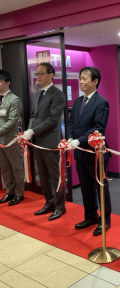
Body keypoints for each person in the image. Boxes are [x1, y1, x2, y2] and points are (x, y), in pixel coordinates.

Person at [67, 67, 111, 236]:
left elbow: (98, 128)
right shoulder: (78, 101)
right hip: (80, 152)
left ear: (95, 81)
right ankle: (90, 216)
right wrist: (71, 138)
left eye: (85, 78)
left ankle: (105, 220)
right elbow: (71, 122)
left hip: (96, 153)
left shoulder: (101, 102)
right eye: (80, 78)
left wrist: (79, 140)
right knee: (85, 187)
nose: (81, 81)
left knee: (100, 187)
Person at [23, 62, 66, 221]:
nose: (38, 77)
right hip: (37, 140)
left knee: (55, 176)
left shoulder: (57, 94)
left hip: (50, 140)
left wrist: (32, 131)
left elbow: (53, 119)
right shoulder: (37, 94)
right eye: (37, 74)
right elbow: (34, 116)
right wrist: (28, 131)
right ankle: (50, 202)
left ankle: (60, 207)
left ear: (51, 75)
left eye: (41, 73)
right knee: (42, 175)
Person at [0, 70, 25, 206]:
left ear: (7, 83)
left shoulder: (14, 99)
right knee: (4, 167)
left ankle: (19, 193)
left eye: (0, 81)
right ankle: (10, 191)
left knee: (16, 167)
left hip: (10, 139)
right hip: (0, 141)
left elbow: (12, 121)